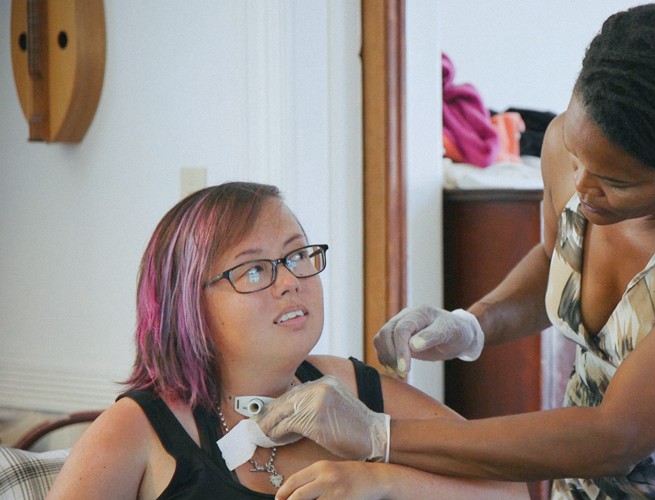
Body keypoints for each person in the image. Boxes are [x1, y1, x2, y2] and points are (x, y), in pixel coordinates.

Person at [255, 2, 655, 498]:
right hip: (581, 473)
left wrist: (378, 436)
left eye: (616, 182)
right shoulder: (570, 148)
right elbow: (555, 260)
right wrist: (473, 324)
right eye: (576, 154)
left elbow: (617, 435)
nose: (582, 187)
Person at [47, 182, 526, 499]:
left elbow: (511, 492)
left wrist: (380, 480)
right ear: (187, 302)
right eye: (255, 269)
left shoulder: (352, 387)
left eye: (297, 255)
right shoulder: (140, 428)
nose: (291, 281)